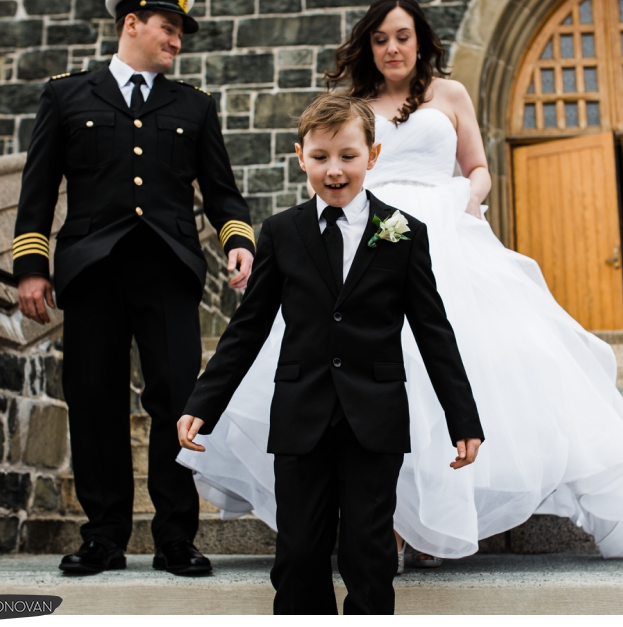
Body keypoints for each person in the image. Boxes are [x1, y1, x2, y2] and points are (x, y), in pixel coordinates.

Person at [177, 0, 623, 568]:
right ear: (367, 47)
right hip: (364, 234)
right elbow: (337, 167)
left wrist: (466, 203)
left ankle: (431, 520)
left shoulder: (449, 94)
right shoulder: (353, 105)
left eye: (402, 36)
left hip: (441, 228)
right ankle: (386, 526)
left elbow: (477, 167)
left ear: (420, 40)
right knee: (357, 365)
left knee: (451, 358)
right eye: (379, 40)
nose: (392, 48)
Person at [177, 94, 484, 615]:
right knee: (298, 553)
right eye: (320, 158)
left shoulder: (404, 233)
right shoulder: (280, 233)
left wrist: (463, 417)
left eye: (347, 155)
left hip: (376, 416)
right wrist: (203, 403)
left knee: (369, 554)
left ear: (373, 155)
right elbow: (247, 328)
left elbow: (434, 331)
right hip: (302, 414)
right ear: (301, 157)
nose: (334, 170)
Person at [13, 0, 255, 576]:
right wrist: (30, 268)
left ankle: (176, 538)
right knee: (94, 399)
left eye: (179, 33)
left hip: (168, 270)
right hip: (91, 272)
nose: (176, 42)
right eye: (168, 30)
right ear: (132, 24)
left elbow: (222, 192)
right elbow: (37, 191)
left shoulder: (194, 105)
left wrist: (238, 241)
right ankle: (104, 537)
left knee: (178, 400)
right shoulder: (67, 95)